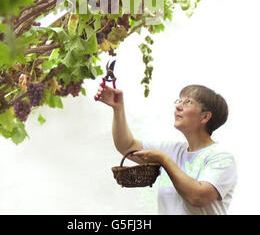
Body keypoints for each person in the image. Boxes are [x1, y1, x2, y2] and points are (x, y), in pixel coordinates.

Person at [94, 83, 237, 215]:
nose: (178, 106)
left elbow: (198, 197)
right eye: (179, 101)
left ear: (205, 116)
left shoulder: (221, 158)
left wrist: (163, 160)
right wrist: (118, 108)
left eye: (188, 102)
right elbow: (127, 146)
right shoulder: (172, 150)